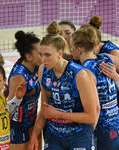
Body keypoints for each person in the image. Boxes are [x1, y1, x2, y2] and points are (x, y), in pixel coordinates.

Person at [28, 21, 100, 150]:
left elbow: (92, 116)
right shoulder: (43, 70)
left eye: (47, 55)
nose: (43, 59)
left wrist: (57, 114)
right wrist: (34, 134)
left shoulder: (79, 75)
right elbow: (45, 109)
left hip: (79, 136)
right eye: (41, 54)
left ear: (60, 53)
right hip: (54, 135)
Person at [7, 31, 42, 150]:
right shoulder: (19, 77)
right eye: (40, 53)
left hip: (32, 122)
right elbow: (8, 110)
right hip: (18, 127)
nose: (44, 55)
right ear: (29, 57)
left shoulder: (37, 66)